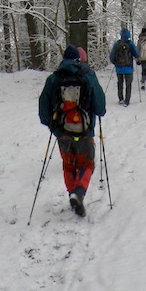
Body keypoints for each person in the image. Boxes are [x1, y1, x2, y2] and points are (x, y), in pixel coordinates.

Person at [38, 45, 106, 217]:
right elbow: (100, 107)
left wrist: (53, 127)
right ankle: (79, 192)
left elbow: (43, 108)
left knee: (69, 166)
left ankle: (71, 194)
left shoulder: (54, 79)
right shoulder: (88, 76)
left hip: (63, 131)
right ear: (79, 60)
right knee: (87, 164)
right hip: (85, 132)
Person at [109, 28, 139, 106]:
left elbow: (111, 56)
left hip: (119, 68)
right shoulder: (130, 44)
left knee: (120, 83)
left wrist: (115, 63)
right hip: (128, 68)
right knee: (128, 84)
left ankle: (120, 99)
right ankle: (127, 100)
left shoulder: (117, 44)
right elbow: (136, 54)